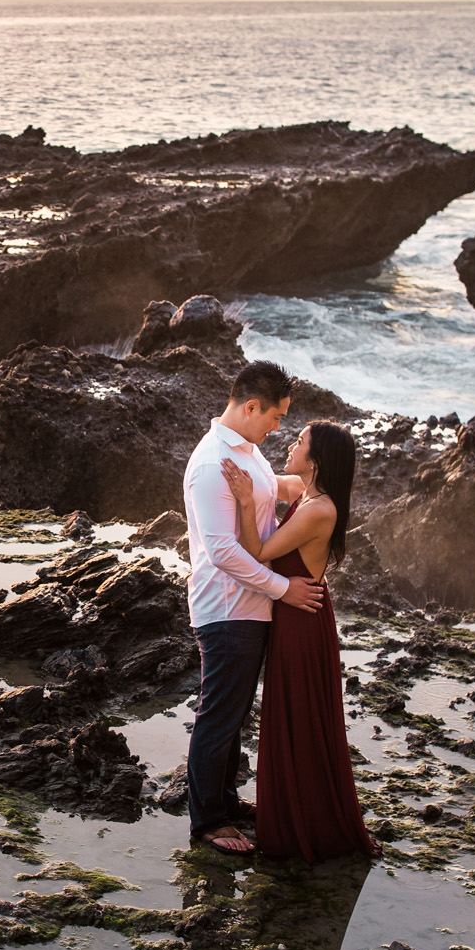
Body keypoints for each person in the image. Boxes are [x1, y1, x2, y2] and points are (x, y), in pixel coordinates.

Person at [180, 361, 327, 857]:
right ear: (250, 407)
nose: (278, 427)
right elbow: (222, 551)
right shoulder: (211, 464)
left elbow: (279, 490)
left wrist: (322, 489)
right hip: (226, 609)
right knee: (218, 715)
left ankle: (224, 800)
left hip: (251, 606)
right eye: (275, 416)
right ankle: (207, 822)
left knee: (235, 713)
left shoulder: (250, 454)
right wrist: (284, 588)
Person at [224, 420, 381, 862]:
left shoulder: (320, 509)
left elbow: (258, 551)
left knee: (299, 715)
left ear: (314, 460)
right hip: (293, 611)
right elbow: (267, 479)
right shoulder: (303, 491)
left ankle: (306, 822)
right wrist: (231, 446)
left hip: (301, 620)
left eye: (298, 442)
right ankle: (293, 810)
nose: (290, 444)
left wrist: (242, 503)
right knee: (291, 714)